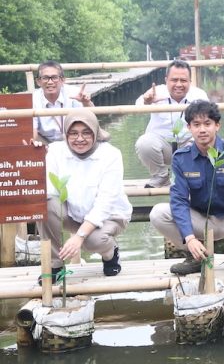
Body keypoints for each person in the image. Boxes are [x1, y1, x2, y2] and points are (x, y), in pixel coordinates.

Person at [149, 100, 224, 275]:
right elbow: (179, 200)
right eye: (196, 124)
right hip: (201, 219)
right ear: (189, 127)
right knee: (159, 213)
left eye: (207, 123)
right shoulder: (181, 158)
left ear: (217, 125)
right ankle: (194, 256)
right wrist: (189, 238)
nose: (202, 129)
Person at [38, 109, 132, 283]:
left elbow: (106, 201)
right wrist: (33, 154)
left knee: (92, 241)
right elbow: (50, 189)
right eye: (73, 133)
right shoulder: (55, 151)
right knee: (45, 202)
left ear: (95, 133)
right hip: (73, 213)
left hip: (110, 216)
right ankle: (55, 265)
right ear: (65, 134)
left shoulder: (110, 154)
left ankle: (110, 252)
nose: (79, 139)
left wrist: (79, 236)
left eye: (86, 133)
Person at [135, 60, 208, 188]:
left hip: (188, 144)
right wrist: (147, 102)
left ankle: (192, 175)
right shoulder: (156, 91)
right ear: (166, 80)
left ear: (190, 82)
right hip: (163, 147)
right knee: (144, 143)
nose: (179, 84)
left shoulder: (199, 95)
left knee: (205, 139)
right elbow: (137, 107)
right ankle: (161, 176)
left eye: (183, 80)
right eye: (174, 80)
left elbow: (210, 122)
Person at [32, 60, 93, 144]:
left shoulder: (75, 93)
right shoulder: (33, 99)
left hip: (73, 140)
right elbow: (32, 132)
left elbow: (92, 120)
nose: (50, 82)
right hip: (45, 142)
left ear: (63, 80)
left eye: (54, 77)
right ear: (38, 81)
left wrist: (86, 102)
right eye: (45, 78)